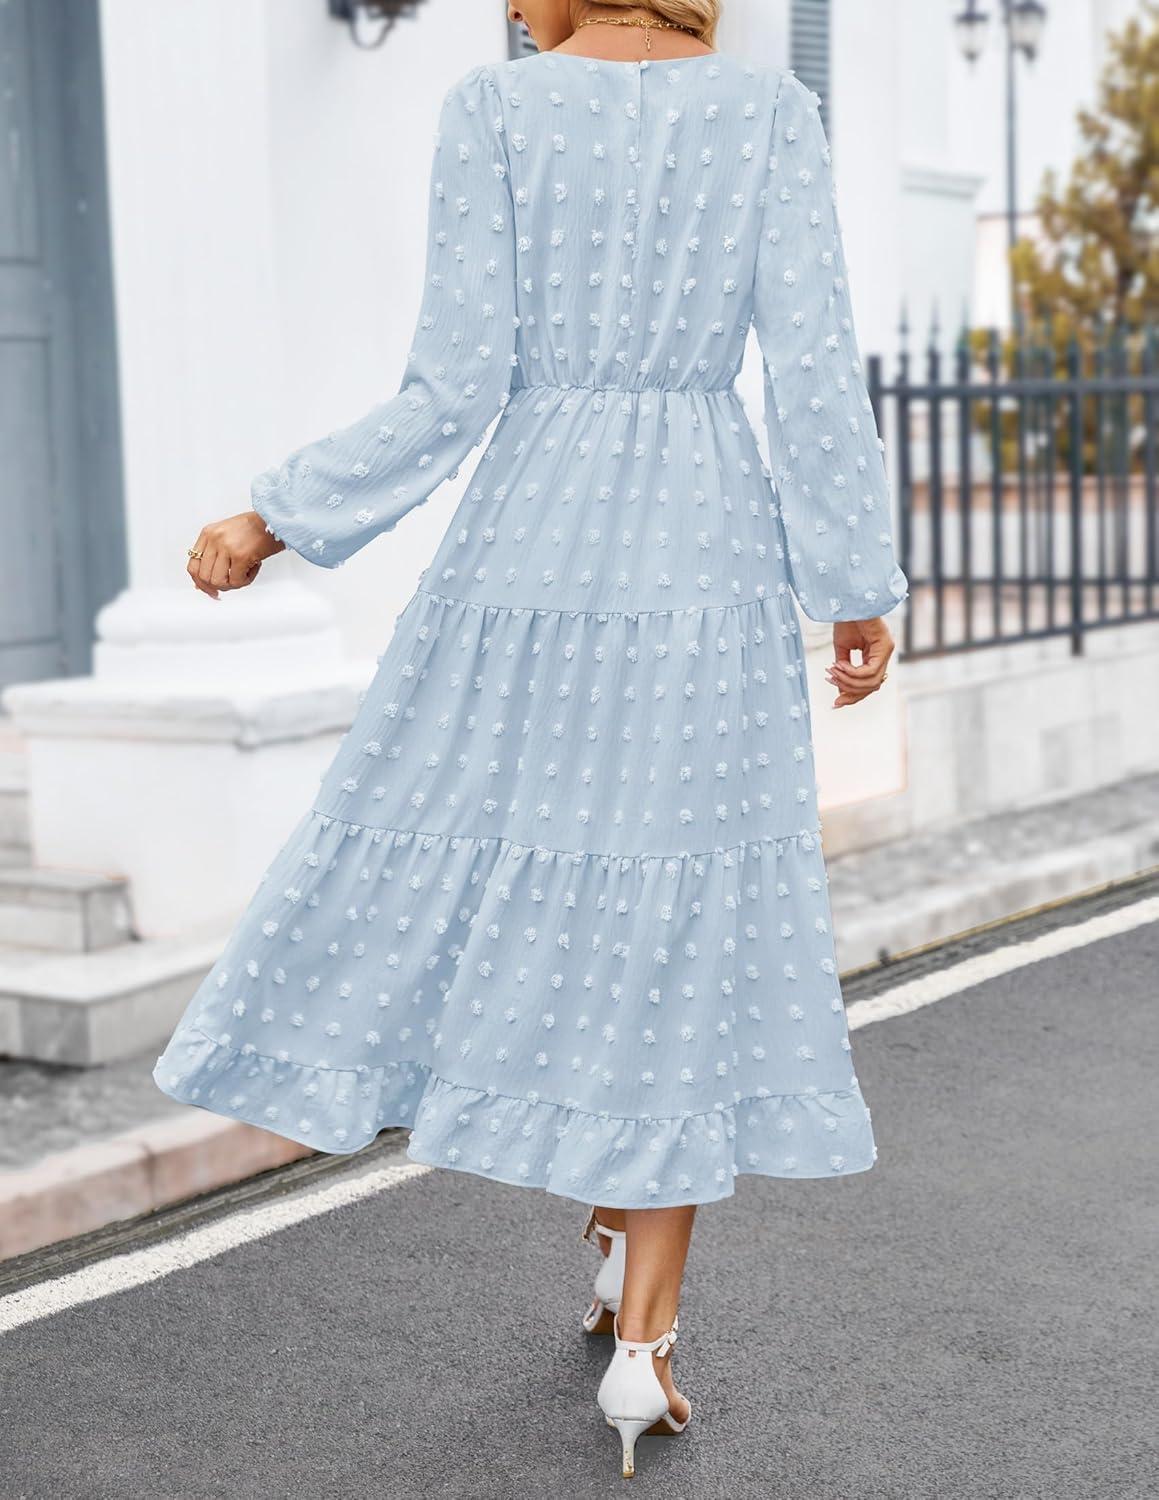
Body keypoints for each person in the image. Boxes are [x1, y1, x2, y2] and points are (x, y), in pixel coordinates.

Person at [156, 0, 907, 1478]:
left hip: (535, 542)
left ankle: (620, 1252)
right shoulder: (771, 114)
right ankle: (645, 1340)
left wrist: (279, 516)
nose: (508, 3)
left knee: (530, 867)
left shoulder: (493, 110)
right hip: (703, 542)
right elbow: (814, 373)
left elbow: (452, 388)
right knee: (678, 910)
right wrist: (855, 585)